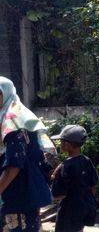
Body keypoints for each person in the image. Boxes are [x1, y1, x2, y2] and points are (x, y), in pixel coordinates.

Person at [0, 76, 54, 231]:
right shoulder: (16, 116)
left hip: (18, 195)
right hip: (26, 194)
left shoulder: (13, 122)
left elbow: (14, 166)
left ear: (6, 93)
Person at [50, 124, 99, 232]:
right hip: (83, 208)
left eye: (61, 141)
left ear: (67, 145)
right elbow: (94, 186)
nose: (60, 144)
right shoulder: (86, 161)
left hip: (68, 212)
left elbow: (58, 194)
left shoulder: (65, 166)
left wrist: (54, 177)